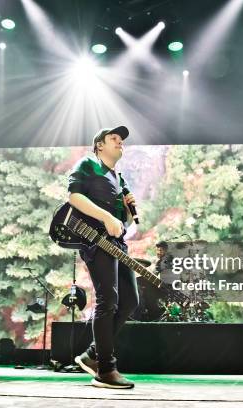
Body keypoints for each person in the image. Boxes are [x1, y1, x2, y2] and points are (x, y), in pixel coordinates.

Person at [69, 126, 139, 389]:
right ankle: (106, 369)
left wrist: (128, 212)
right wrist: (106, 216)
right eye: (114, 139)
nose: (120, 142)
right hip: (95, 240)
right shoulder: (88, 164)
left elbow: (125, 223)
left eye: (121, 141)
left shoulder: (118, 177)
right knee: (108, 299)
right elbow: (74, 196)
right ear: (99, 145)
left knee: (130, 300)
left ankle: (92, 354)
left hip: (118, 243)